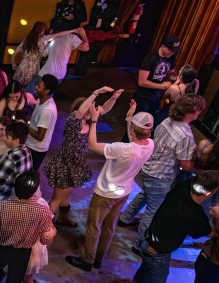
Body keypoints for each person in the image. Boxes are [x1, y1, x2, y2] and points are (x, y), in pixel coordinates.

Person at [65, 107, 155, 272]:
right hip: (123, 192)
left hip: (105, 193)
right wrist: (130, 117)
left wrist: (94, 120)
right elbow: (134, 136)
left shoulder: (122, 149)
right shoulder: (149, 145)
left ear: (134, 129)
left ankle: (87, 260)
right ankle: (98, 259)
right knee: (109, 226)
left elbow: (92, 145)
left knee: (94, 225)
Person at [131, 171, 219, 283]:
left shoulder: (182, 187)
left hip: (146, 240)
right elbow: (212, 233)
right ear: (209, 194)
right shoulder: (196, 216)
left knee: (145, 274)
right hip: (157, 253)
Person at [118, 94, 205, 245]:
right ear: (193, 111)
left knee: (145, 194)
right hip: (160, 176)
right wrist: (201, 170)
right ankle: (140, 244)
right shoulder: (185, 136)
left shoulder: (167, 121)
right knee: (153, 210)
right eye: (199, 110)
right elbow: (184, 164)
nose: (200, 113)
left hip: (148, 168)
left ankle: (124, 218)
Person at [45, 87, 123, 226]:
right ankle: (43, 226)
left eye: (90, 109)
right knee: (58, 197)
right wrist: (96, 92)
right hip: (64, 163)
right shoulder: (73, 121)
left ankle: (63, 218)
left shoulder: (88, 124)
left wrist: (113, 98)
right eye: (87, 108)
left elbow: (103, 109)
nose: (89, 111)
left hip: (76, 164)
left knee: (66, 194)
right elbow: (81, 111)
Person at [132, 35, 180, 118]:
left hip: (156, 97)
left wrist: (176, 79)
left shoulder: (171, 57)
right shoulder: (150, 58)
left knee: (153, 122)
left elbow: (171, 72)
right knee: (138, 123)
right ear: (163, 46)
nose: (172, 53)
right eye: (170, 50)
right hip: (143, 97)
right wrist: (161, 86)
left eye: (174, 51)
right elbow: (142, 82)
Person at [25, 75, 59, 171]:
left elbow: (40, 137)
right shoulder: (41, 100)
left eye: (39, 86)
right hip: (30, 144)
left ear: (47, 91)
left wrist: (26, 126)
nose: (36, 87)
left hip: (35, 149)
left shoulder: (47, 111)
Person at [12, 22, 48, 89]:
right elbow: (16, 51)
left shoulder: (30, 39)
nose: (44, 31)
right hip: (31, 67)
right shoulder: (42, 40)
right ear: (40, 30)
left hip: (27, 66)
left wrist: (13, 63)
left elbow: (16, 51)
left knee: (21, 87)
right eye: (43, 29)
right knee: (26, 87)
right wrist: (13, 63)